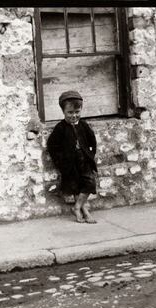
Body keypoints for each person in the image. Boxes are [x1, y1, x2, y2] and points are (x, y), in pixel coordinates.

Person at [47, 90, 98, 223]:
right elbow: (52, 146)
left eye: (77, 112)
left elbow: (92, 141)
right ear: (63, 112)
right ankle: (84, 210)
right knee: (76, 186)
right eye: (70, 113)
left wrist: (90, 155)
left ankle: (77, 207)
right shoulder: (60, 128)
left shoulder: (84, 125)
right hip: (70, 163)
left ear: (80, 110)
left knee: (90, 183)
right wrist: (60, 162)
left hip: (84, 161)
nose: (74, 116)